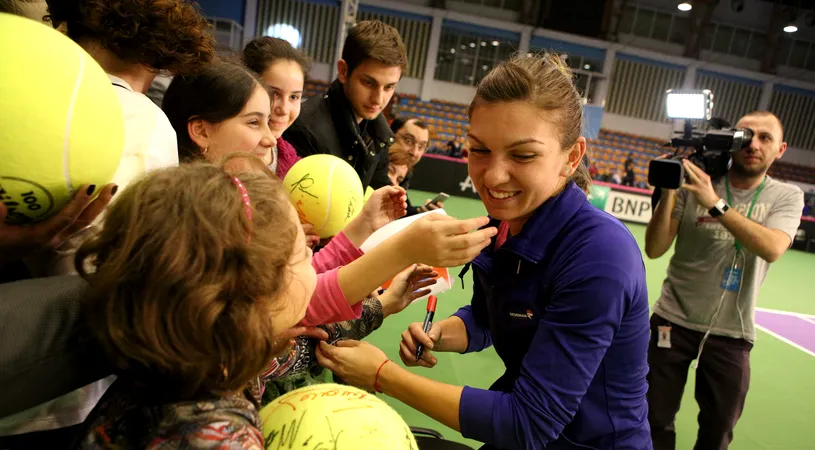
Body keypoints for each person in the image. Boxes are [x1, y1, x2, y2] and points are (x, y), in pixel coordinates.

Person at [315, 53, 653, 450]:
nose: (492, 176)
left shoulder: (600, 255)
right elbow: (488, 318)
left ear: (571, 157)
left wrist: (382, 374)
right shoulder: (502, 225)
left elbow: (528, 423)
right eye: (479, 150)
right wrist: (439, 334)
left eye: (523, 155)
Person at [161, 60, 497, 327]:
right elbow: (289, 307)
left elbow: (296, 287)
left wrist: (363, 225)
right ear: (201, 130)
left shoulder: (235, 199)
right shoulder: (194, 222)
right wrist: (398, 257)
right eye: (253, 122)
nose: (271, 137)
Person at [644, 111, 804, 450]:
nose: (754, 144)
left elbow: (773, 247)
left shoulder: (787, 196)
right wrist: (670, 191)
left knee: (718, 430)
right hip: (673, 319)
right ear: (731, 139)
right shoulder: (695, 183)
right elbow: (655, 248)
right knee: (653, 418)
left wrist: (714, 203)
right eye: (746, 135)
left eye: (765, 138)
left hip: (733, 330)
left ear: (781, 149)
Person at [283, 20, 408, 191]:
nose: (378, 99)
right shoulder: (304, 128)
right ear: (343, 71)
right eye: (368, 83)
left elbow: (381, 196)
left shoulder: (379, 134)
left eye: (389, 87)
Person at [242, 36, 309, 179]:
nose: (284, 109)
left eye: (294, 97)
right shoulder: (223, 151)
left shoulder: (291, 162)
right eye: (274, 94)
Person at [389, 117, 445, 215]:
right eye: (408, 141)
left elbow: (402, 212)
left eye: (421, 146)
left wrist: (422, 210)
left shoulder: (405, 173)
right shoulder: (372, 165)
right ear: (391, 135)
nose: (415, 152)